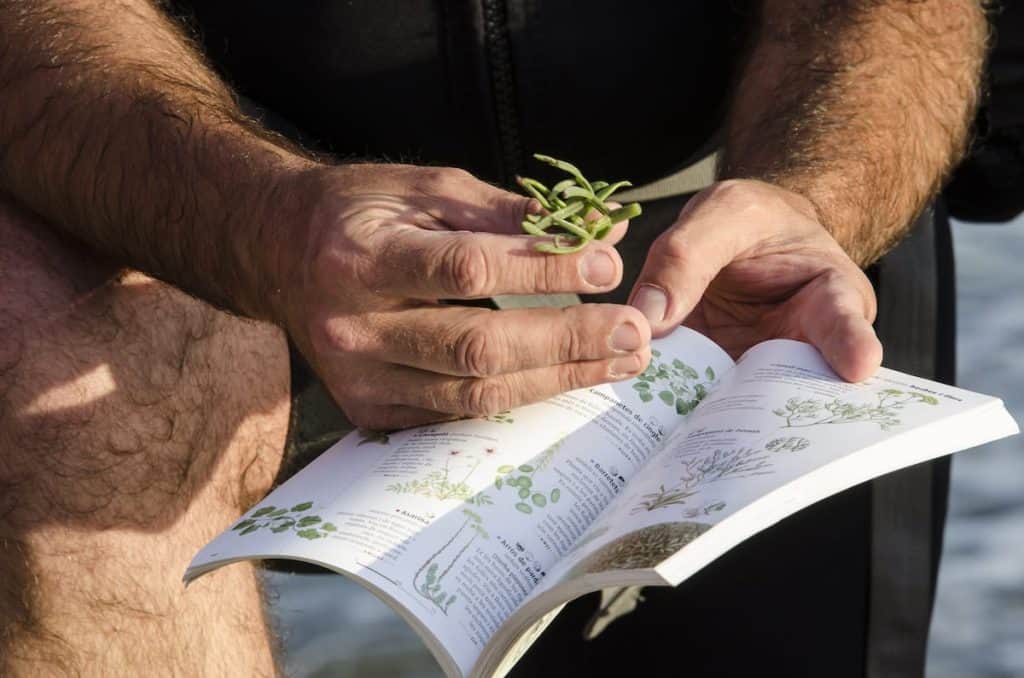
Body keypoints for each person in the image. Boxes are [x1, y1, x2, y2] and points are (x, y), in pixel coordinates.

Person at [0, 1, 986, 676]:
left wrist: (814, 199)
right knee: (56, 372)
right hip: (217, 198)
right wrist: (260, 222)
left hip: (734, 250)